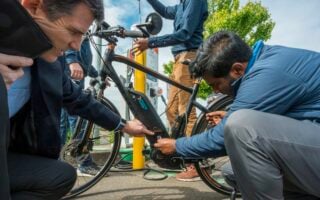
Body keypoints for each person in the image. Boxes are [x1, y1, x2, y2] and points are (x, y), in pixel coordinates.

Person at [1, 0, 153, 199]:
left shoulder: (52, 64)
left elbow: (79, 100)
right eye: (73, 31)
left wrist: (123, 126)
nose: (76, 45)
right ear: (33, 6)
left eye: (83, 35)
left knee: (60, 176)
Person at [154, 31, 320, 199]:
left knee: (241, 126)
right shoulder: (264, 61)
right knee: (233, 172)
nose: (215, 91)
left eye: (217, 84)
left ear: (237, 69)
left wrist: (177, 146)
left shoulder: (266, 73)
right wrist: (229, 117)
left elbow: (222, 140)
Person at [133, 0, 208, 182]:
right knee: (172, 112)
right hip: (178, 58)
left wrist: (151, 42)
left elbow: (184, 33)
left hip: (189, 55)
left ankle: (196, 164)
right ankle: (183, 155)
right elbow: (166, 11)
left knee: (186, 111)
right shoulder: (182, 4)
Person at [60, 37, 100, 175]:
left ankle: (60, 161)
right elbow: (70, 39)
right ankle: (83, 162)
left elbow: (85, 60)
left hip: (75, 73)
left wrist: (98, 75)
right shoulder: (82, 22)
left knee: (64, 121)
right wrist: (72, 60)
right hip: (71, 72)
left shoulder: (87, 30)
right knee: (77, 119)